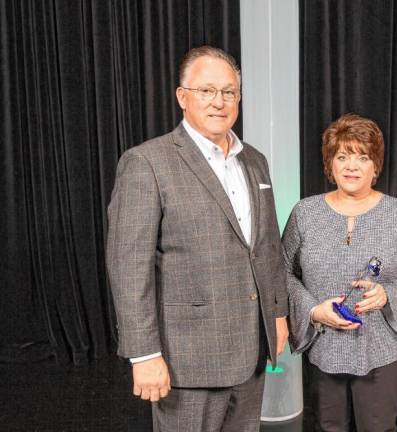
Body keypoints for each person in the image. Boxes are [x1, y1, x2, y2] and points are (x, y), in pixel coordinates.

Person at [106, 46, 288, 432]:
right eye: (207, 91)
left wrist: (277, 314)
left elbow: (268, 247)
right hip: (186, 359)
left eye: (229, 92)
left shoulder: (254, 160)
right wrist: (144, 354)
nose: (219, 102)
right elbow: (129, 266)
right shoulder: (147, 163)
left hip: (252, 350)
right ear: (182, 97)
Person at [283, 113, 397, 432]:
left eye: (362, 157)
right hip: (324, 344)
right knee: (328, 426)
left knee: (378, 427)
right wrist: (312, 310)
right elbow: (281, 273)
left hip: (380, 346)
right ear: (330, 164)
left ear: (375, 166)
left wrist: (388, 293)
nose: (351, 166)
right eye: (342, 156)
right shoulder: (304, 213)